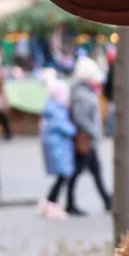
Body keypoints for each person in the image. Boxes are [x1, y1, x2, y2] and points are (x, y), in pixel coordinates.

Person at [67, 54, 111, 214]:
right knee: (77, 172)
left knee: (92, 171)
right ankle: (66, 202)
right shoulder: (81, 93)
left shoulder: (82, 91)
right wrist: (94, 132)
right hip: (85, 139)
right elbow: (80, 118)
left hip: (87, 139)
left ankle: (107, 200)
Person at [38, 75, 76, 218]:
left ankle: (50, 202)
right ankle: (51, 203)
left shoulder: (51, 108)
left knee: (62, 177)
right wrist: (75, 130)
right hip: (58, 149)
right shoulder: (56, 110)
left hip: (57, 147)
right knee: (62, 176)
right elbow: (65, 128)